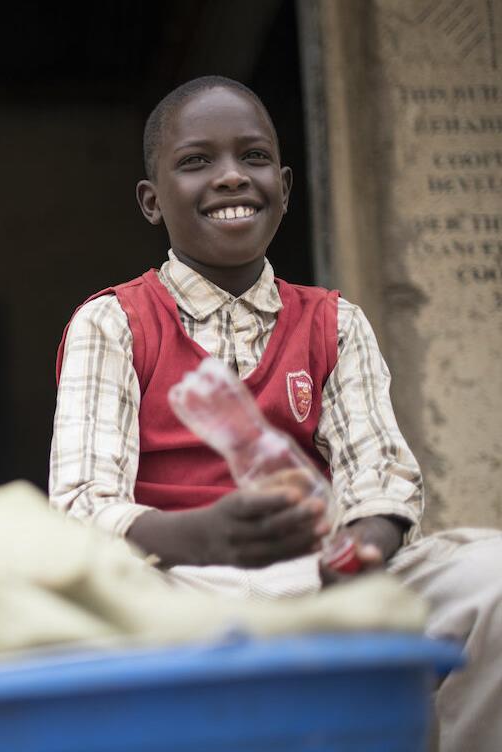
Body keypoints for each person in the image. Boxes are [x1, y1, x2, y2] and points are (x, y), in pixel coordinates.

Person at [49, 75, 502, 750]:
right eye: (197, 162)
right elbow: (81, 504)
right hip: (177, 586)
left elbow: (381, 477)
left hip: (326, 583)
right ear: (151, 201)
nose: (231, 178)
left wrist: (366, 544)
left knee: (490, 578)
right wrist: (204, 536)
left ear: (285, 189)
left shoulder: (334, 323)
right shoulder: (114, 322)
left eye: (253, 157)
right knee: (55, 618)